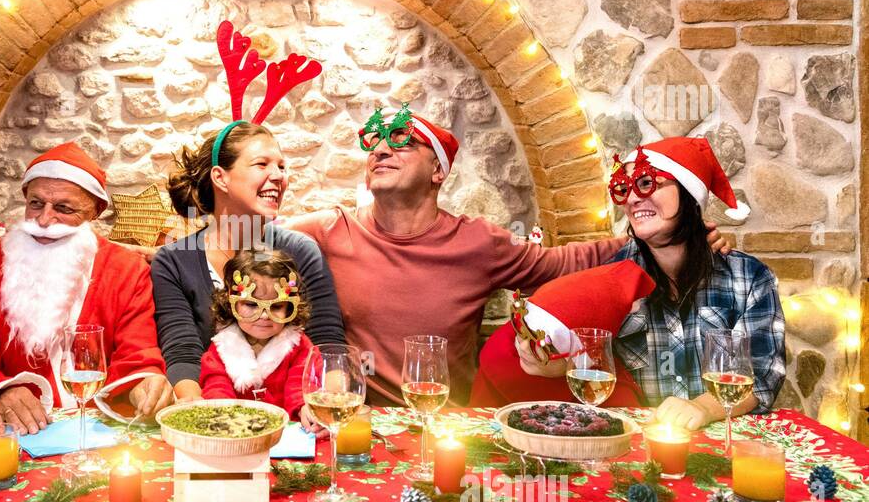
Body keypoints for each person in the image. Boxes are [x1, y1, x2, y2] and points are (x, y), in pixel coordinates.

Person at [286, 105, 632, 407]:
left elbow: (561, 263)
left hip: (448, 423)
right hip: (362, 424)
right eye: (373, 145)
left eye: (402, 142)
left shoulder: (479, 242)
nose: (381, 150)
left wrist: (645, 240)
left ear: (438, 171)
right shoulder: (330, 229)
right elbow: (247, 241)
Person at [516, 137, 785, 429]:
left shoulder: (749, 278)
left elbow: (762, 374)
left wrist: (702, 408)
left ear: (689, 194)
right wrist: (556, 364)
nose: (631, 199)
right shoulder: (610, 278)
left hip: (723, 446)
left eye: (646, 183)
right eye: (623, 188)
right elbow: (592, 363)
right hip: (640, 449)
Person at [153, 19, 345, 402]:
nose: (278, 176)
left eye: (282, 166)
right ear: (220, 178)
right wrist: (196, 415)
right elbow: (183, 352)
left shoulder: (301, 251)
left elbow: (327, 345)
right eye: (262, 165)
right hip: (215, 414)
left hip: (295, 420)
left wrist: (330, 406)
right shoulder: (173, 261)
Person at [0, 142, 172, 435]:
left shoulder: (127, 270)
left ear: (94, 213)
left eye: (64, 208)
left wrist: (144, 383)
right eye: (36, 203)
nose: (44, 220)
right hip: (13, 434)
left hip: (99, 430)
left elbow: (137, 354)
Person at [470, 260, 655, 407]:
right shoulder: (500, 355)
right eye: (520, 327)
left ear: (578, 359)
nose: (523, 345)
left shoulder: (609, 390)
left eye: (541, 342)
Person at [200, 250, 314, 416]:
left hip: (287, 432)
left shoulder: (300, 347)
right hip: (237, 432)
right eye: (251, 304)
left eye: (276, 306)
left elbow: (300, 387)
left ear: (290, 307)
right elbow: (216, 387)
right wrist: (223, 413)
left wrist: (304, 409)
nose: (264, 315)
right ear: (231, 304)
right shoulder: (222, 348)